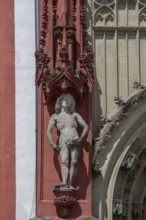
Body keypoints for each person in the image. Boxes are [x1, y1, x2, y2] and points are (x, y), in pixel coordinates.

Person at [47, 93, 89, 189]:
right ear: (60, 102)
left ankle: (70, 183)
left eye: (69, 100)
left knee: (74, 161)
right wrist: (52, 144)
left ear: (71, 104)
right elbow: (48, 132)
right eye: (65, 99)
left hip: (74, 138)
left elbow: (86, 126)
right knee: (64, 161)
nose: (66, 101)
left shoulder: (74, 115)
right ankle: (64, 182)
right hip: (63, 139)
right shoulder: (55, 116)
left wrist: (80, 139)